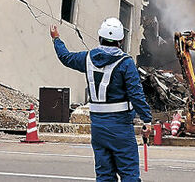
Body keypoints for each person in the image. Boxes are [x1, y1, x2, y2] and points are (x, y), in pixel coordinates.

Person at [51, 18, 152, 182]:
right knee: (129, 175)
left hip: (98, 128)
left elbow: (66, 57)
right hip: (120, 128)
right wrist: (147, 120)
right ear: (121, 40)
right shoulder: (126, 63)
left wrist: (56, 39)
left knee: (105, 176)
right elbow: (136, 94)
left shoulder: (87, 58)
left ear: (100, 37)